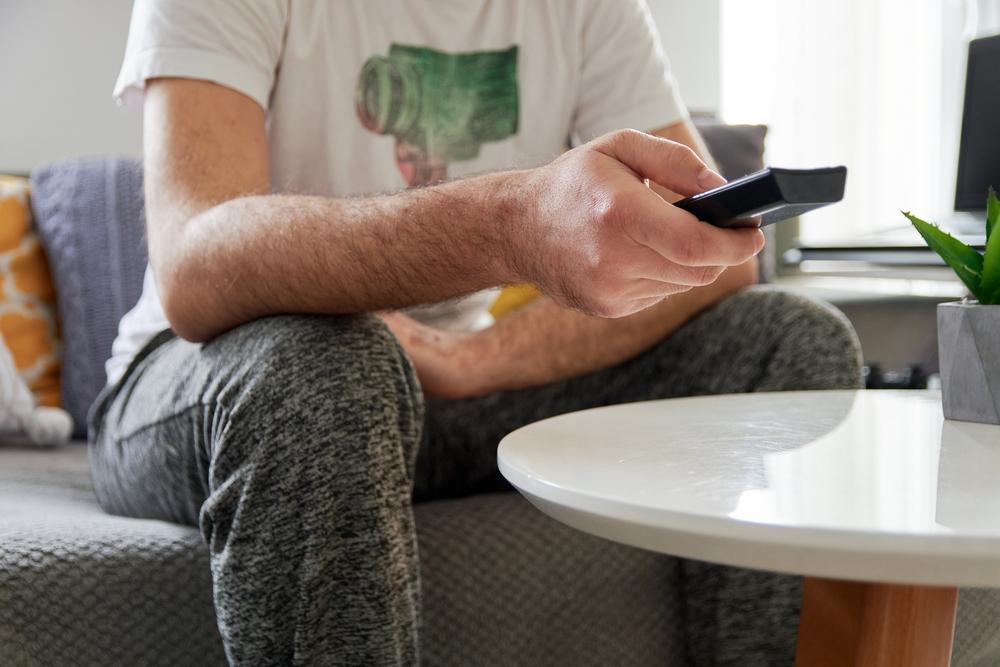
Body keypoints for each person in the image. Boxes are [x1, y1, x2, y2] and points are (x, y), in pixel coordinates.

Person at [90, 0, 862, 664]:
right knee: (328, 366)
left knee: (792, 336)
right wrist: (506, 222)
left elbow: (715, 263)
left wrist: (473, 359)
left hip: (440, 386)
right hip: (209, 378)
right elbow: (194, 265)